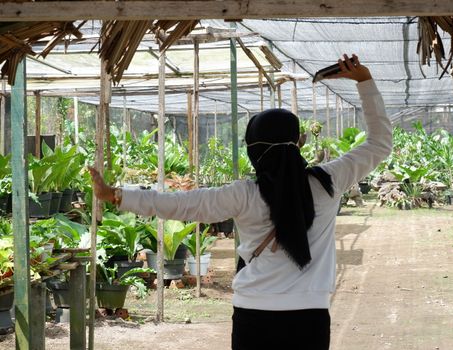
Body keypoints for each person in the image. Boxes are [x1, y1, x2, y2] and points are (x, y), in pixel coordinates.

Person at [89, 54, 392, 350]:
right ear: (297, 144)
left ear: (255, 151)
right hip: (309, 315)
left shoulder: (244, 194)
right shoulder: (328, 182)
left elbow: (179, 204)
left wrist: (117, 195)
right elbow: (379, 143)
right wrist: (364, 81)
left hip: (254, 316)